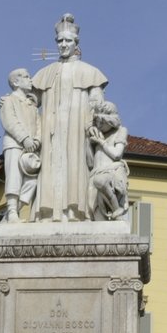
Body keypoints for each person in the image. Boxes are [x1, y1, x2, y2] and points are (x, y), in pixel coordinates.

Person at [30, 13, 108, 223]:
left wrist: (94, 123)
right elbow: (29, 103)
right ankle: (47, 212)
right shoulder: (45, 73)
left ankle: (76, 211)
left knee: (76, 165)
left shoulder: (89, 72)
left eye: (68, 41)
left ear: (76, 43)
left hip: (77, 129)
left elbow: (98, 104)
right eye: (60, 41)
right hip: (50, 131)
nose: (63, 45)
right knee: (50, 166)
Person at [0, 68, 40, 223]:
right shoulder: (8, 100)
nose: (30, 80)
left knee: (34, 179)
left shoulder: (32, 105)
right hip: (14, 144)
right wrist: (24, 139)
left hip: (31, 148)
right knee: (14, 177)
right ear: (16, 82)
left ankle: (14, 212)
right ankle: (12, 211)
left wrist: (36, 140)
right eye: (27, 77)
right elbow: (10, 121)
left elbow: (38, 124)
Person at [85, 100, 129, 221]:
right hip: (95, 173)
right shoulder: (97, 133)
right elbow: (90, 162)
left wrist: (102, 142)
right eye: (96, 121)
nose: (98, 125)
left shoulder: (121, 131)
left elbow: (117, 154)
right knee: (96, 217)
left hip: (112, 171)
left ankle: (117, 211)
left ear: (109, 120)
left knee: (100, 181)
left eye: (101, 121)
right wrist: (89, 142)